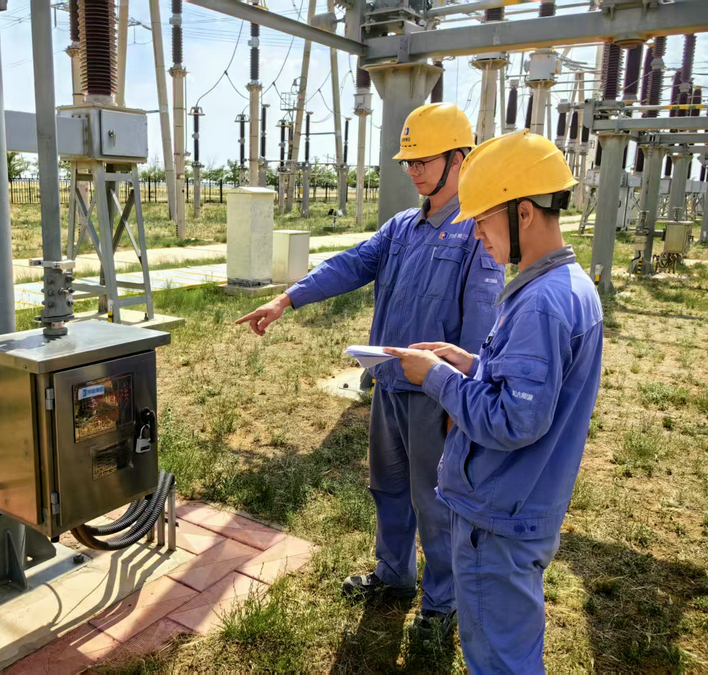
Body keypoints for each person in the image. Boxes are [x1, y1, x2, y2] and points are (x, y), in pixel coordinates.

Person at [236, 103, 504, 631]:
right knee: (389, 487)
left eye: (424, 160)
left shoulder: (476, 233)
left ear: (458, 159)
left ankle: (442, 604)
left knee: (436, 501)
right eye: (409, 162)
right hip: (389, 385)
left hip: (436, 395)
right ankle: (394, 574)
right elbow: (352, 264)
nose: (413, 171)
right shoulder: (402, 227)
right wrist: (287, 299)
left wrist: (465, 402)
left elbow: (480, 323)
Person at [385, 129, 604, 673]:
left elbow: (513, 420)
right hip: (522, 505)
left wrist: (437, 378)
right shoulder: (567, 286)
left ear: (522, 213)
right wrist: (471, 365)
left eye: (482, 221)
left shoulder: (541, 303)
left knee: (498, 659)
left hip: (499, 517)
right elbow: (529, 390)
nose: (477, 235)